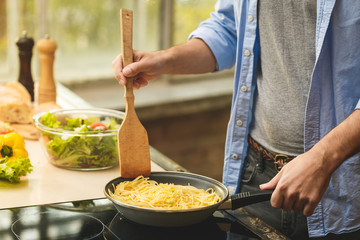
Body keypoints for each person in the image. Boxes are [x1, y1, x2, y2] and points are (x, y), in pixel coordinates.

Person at [112, 0, 360, 239]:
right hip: (256, 174)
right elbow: (228, 28)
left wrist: (323, 159)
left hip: (341, 183)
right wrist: (165, 60)